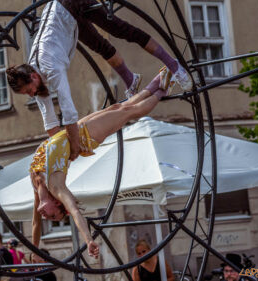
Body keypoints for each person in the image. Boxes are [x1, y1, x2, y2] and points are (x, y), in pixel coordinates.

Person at [6, 0, 192, 164]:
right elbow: (49, 120)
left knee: (120, 29)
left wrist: (74, 147)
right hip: (65, 18)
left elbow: (68, 111)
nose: (30, 95)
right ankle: (131, 79)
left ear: (33, 77)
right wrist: (60, 148)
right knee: (99, 46)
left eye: (28, 90)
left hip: (71, 2)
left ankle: (173, 65)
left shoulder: (50, 66)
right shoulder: (36, 80)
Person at [29, 68, 174, 257]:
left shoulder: (36, 184)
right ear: (58, 203)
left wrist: (33, 249)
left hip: (74, 130)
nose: (47, 217)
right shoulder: (57, 187)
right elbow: (75, 212)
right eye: (54, 216)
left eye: (50, 218)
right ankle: (163, 89)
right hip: (86, 137)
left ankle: (157, 81)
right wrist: (88, 240)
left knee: (119, 108)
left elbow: (35, 223)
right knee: (130, 112)